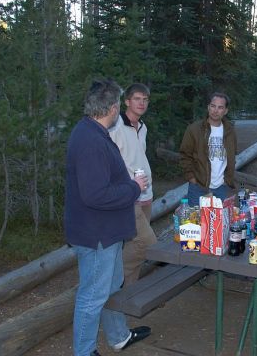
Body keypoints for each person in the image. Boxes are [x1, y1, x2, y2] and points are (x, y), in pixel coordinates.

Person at [64, 79, 151, 356]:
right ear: (113, 108)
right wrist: (133, 188)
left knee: (112, 286)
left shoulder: (93, 132)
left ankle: (118, 336)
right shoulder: (90, 140)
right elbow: (95, 195)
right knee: (92, 296)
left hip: (108, 231)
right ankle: (84, 351)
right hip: (96, 234)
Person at [109, 83, 157, 285]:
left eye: (145, 99)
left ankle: (127, 293)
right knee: (147, 244)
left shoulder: (142, 127)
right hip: (130, 196)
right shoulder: (116, 126)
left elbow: (137, 157)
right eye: (137, 99)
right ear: (126, 102)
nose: (142, 103)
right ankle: (112, 279)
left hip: (147, 195)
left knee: (134, 246)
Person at [179, 92, 237, 206]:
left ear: (225, 111)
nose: (215, 110)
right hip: (198, 187)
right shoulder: (194, 129)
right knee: (197, 222)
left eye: (220, 107)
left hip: (221, 187)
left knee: (218, 221)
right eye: (213, 106)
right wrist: (191, 178)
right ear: (208, 107)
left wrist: (226, 180)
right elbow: (185, 155)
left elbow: (232, 155)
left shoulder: (230, 131)